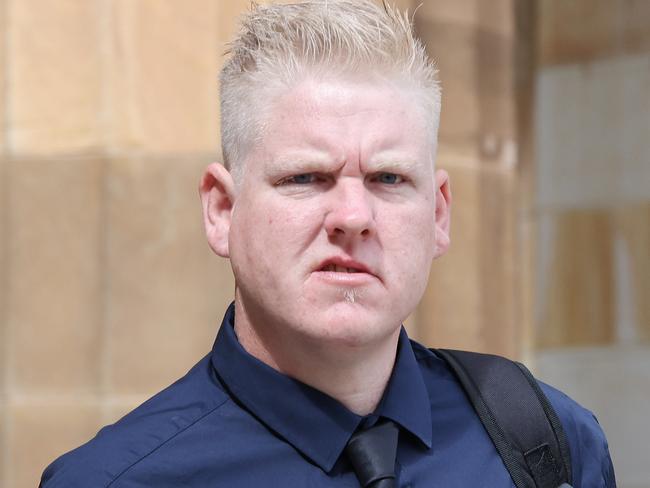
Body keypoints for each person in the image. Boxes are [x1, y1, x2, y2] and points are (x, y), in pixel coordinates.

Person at [40, 1, 615, 487]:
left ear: (438, 214)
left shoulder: (549, 444)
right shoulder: (115, 480)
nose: (353, 216)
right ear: (221, 210)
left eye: (388, 178)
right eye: (306, 178)